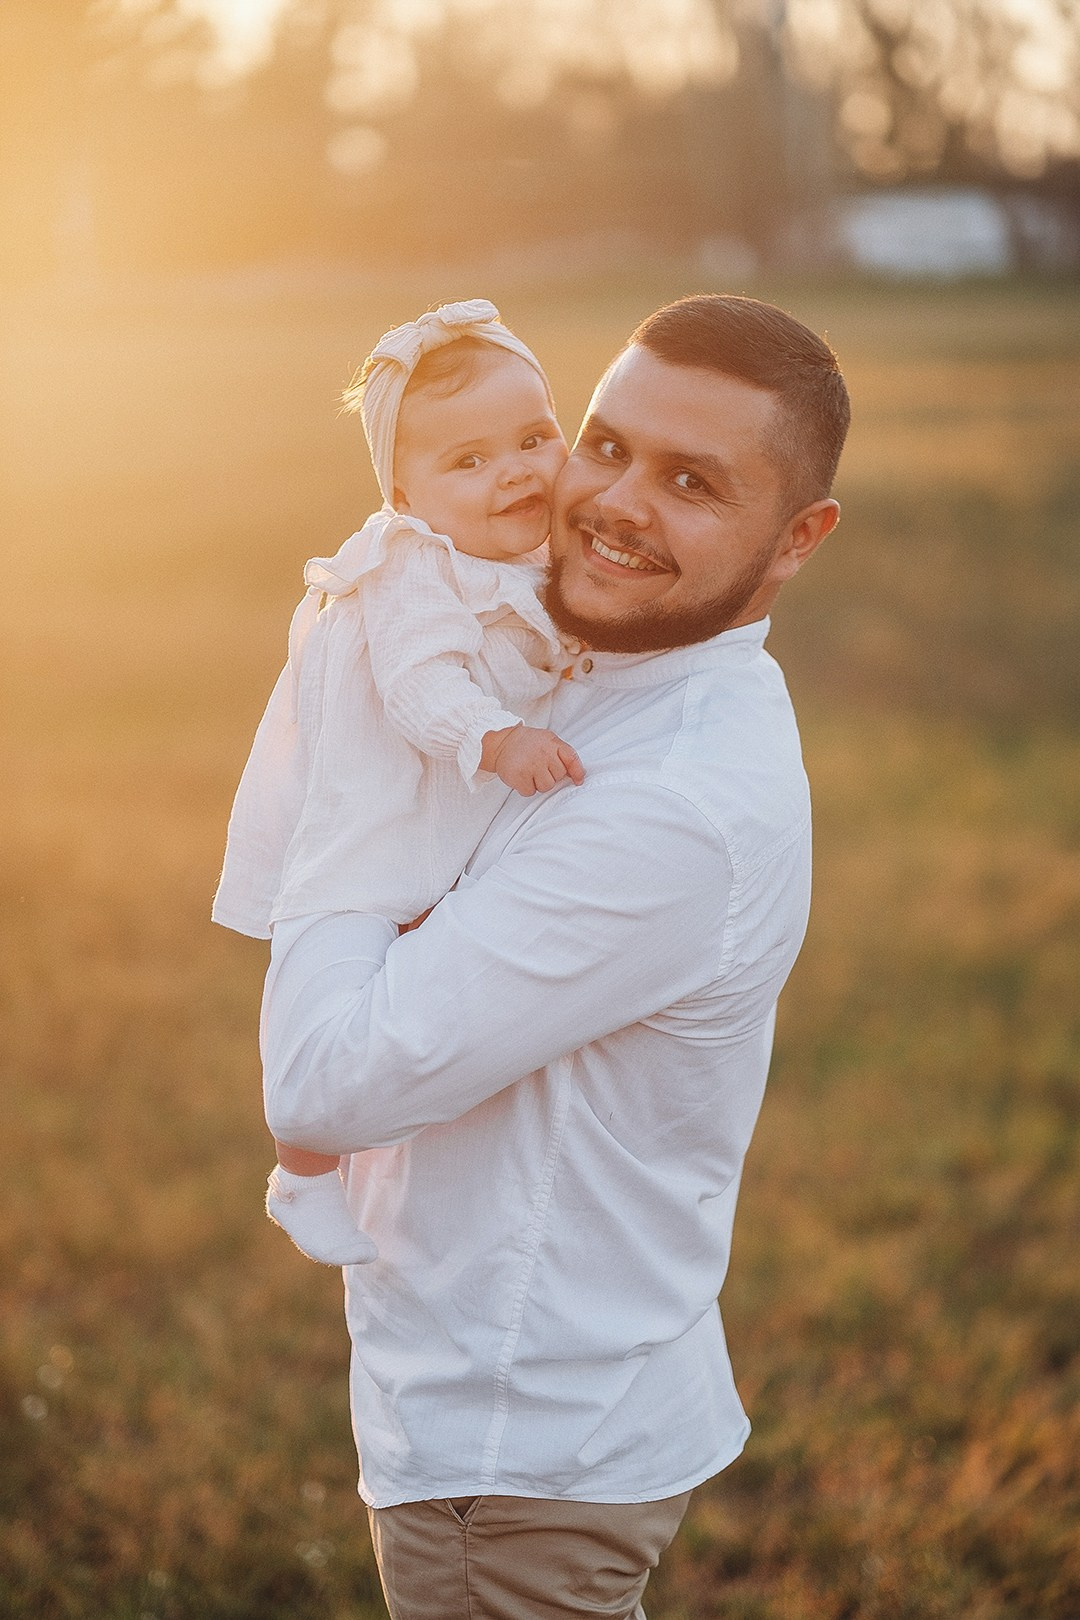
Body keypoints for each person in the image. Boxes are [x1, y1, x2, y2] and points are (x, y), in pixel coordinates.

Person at [259, 294, 850, 1619]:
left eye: (692, 482)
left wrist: (337, 827)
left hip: (515, 1454)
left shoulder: (665, 809)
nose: (610, 503)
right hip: (560, 1395)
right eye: (605, 444)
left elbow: (318, 1085)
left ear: (797, 536)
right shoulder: (609, 672)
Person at [213, 299, 583, 1266]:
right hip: (370, 829)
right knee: (324, 980)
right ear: (405, 497)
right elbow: (421, 685)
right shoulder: (413, 567)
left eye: (535, 438)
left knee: (414, 1001)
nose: (514, 471)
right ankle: (300, 1173)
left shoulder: (534, 557)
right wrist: (495, 738)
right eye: (467, 461)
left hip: (454, 835)